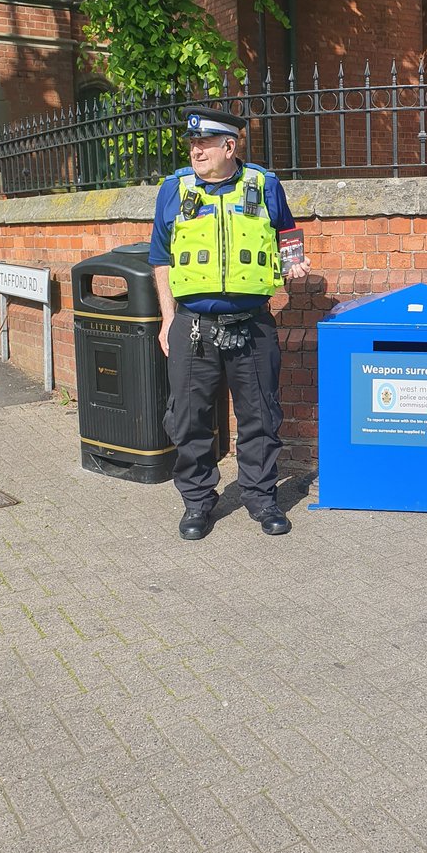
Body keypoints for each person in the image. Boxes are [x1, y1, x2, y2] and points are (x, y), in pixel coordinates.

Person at [149, 105, 311, 540]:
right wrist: (168, 320)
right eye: (192, 143)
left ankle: (261, 497)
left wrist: (293, 265)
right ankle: (198, 502)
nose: (195, 150)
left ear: (229, 145)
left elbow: (287, 235)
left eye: (203, 143)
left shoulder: (264, 185)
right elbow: (160, 260)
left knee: (259, 415)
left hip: (253, 324)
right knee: (189, 418)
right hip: (192, 325)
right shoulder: (174, 189)